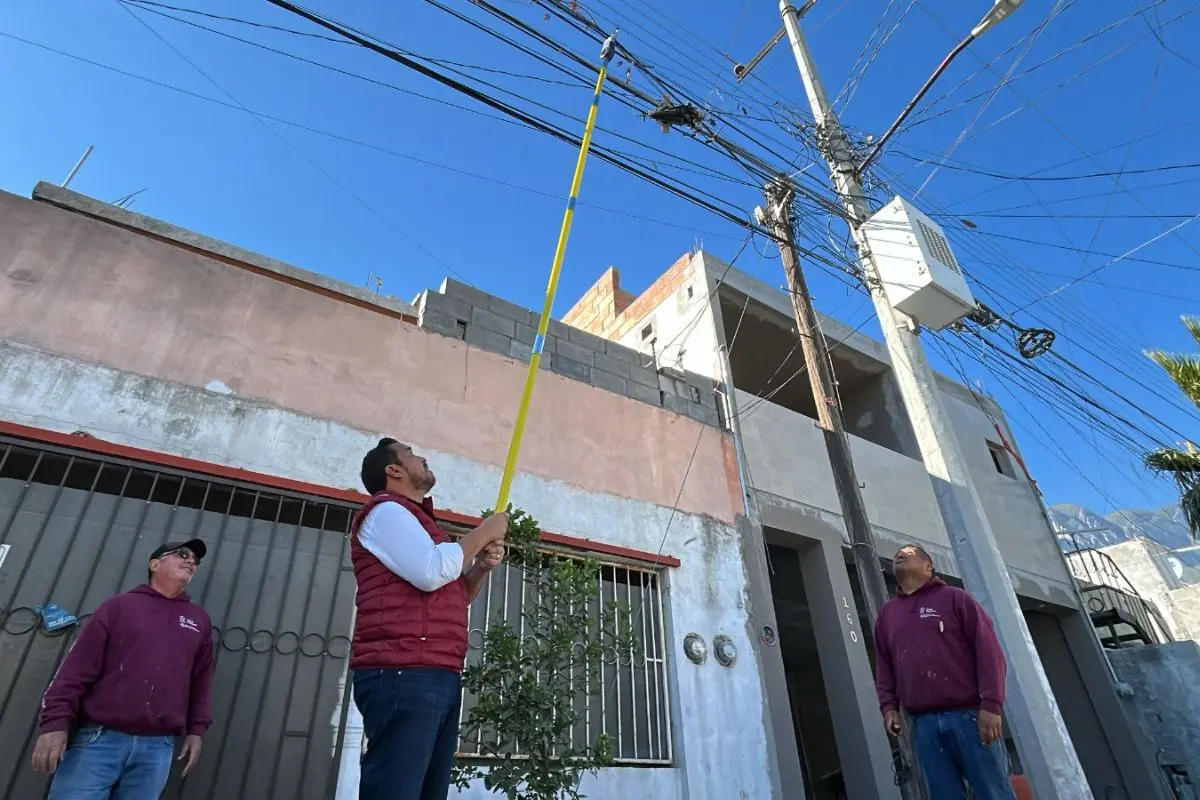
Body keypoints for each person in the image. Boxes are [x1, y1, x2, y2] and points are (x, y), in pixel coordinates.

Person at [350, 438, 508, 800]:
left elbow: (454, 594)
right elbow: (431, 571)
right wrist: (485, 530)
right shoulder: (385, 512)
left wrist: (480, 567)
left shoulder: (422, 526)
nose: (422, 457)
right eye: (410, 453)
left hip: (435, 672)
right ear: (394, 470)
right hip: (403, 670)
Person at [33, 538, 214, 798]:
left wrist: (197, 730)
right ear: (154, 564)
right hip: (98, 741)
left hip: (158, 748)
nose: (191, 561)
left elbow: (202, 681)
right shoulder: (117, 607)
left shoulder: (200, 620)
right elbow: (75, 670)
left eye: (195, 561)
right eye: (182, 554)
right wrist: (54, 725)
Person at [873, 544, 1015, 800]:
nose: (900, 555)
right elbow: (884, 665)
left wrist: (992, 705)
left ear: (928, 566)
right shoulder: (887, 614)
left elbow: (989, 652)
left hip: (970, 717)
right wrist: (888, 706)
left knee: (993, 793)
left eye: (909, 553)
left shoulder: (955, 598)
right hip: (923, 725)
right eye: (897, 555)